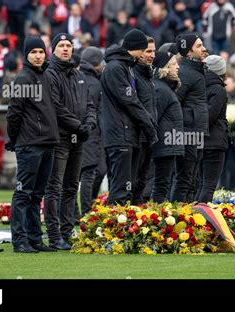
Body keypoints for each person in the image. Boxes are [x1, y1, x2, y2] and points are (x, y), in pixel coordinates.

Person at [6, 36, 60, 253]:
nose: (38, 56)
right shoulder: (23, 79)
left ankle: (35, 240)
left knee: (37, 195)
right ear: (25, 55)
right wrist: (14, 138)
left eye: (41, 51)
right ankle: (19, 241)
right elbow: (13, 114)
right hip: (30, 145)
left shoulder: (45, 76)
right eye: (33, 52)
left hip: (47, 143)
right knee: (23, 194)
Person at [44, 33, 96, 250]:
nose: (66, 49)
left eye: (69, 46)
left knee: (71, 187)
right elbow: (55, 107)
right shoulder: (49, 74)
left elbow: (90, 104)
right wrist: (78, 125)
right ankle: (54, 236)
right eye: (62, 45)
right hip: (60, 139)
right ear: (54, 49)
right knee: (54, 187)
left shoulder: (77, 74)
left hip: (78, 139)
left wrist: (89, 123)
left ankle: (67, 233)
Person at [101, 28, 158, 205]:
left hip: (127, 135)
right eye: (144, 49)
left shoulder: (125, 67)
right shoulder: (115, 68)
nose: (145, 54)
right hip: (120, 136)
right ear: (136, 48)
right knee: (120, 191)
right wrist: (149, 127)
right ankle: (110, 231)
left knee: (128, 189)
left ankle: (120, 230)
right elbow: (130, 102)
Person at [171, 33, 209, 203]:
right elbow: (175, 103)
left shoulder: (197, 71)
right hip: (187, 133)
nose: (204, 49)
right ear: (188, 52)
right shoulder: (186, 73)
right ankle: (176, 218)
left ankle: (190, 219)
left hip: (196, 132)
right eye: (199, 46)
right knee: (184, 179)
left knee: (193, 179)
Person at [150, 51, 184, 203]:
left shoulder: (165, 87)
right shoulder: (161, 89)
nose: (177, 67)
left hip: (168, 144)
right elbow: (153, 117)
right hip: (163, 145)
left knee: (164, 183)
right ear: (164, 67)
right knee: (161, 184)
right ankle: (157, 216)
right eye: (173, 64)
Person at [78, 47, 106, 216]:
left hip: (87, 133)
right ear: (95, 63)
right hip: (91, 134)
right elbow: (95, 111)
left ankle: (83, 211)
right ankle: (87, 212)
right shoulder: (94, 84)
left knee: (93, 171)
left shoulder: (83, 79)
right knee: (90, 172)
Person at [196, 55, 228, 203]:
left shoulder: (198, 84)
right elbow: (210, 116)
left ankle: (193, 216)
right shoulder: (218, 89)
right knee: (208, 185)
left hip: (199, 141)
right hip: (214, 142)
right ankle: (202, 218)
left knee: (200, 184)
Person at [132, 37, 157, 204]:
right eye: (148, 51)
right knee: (133, 180)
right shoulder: (133, 74)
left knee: (143, 179)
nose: (152, 55)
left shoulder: (148, 75)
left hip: (148, 134)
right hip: (137, 135)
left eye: (154, 51)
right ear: (139, 53)